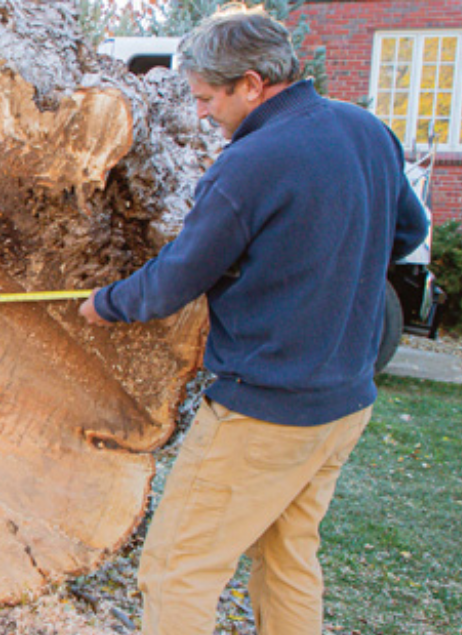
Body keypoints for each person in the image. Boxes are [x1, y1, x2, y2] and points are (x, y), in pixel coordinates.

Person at [78, 5, 428, 634]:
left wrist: (104, 304)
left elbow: (181, 276)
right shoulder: (366, 130)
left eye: (209, 97)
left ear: (252, 84)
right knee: (288, 559)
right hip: (345, 403)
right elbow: (409, 229)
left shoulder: (252, 161)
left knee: (177, 568)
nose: (205, 112)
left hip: (266, 411)